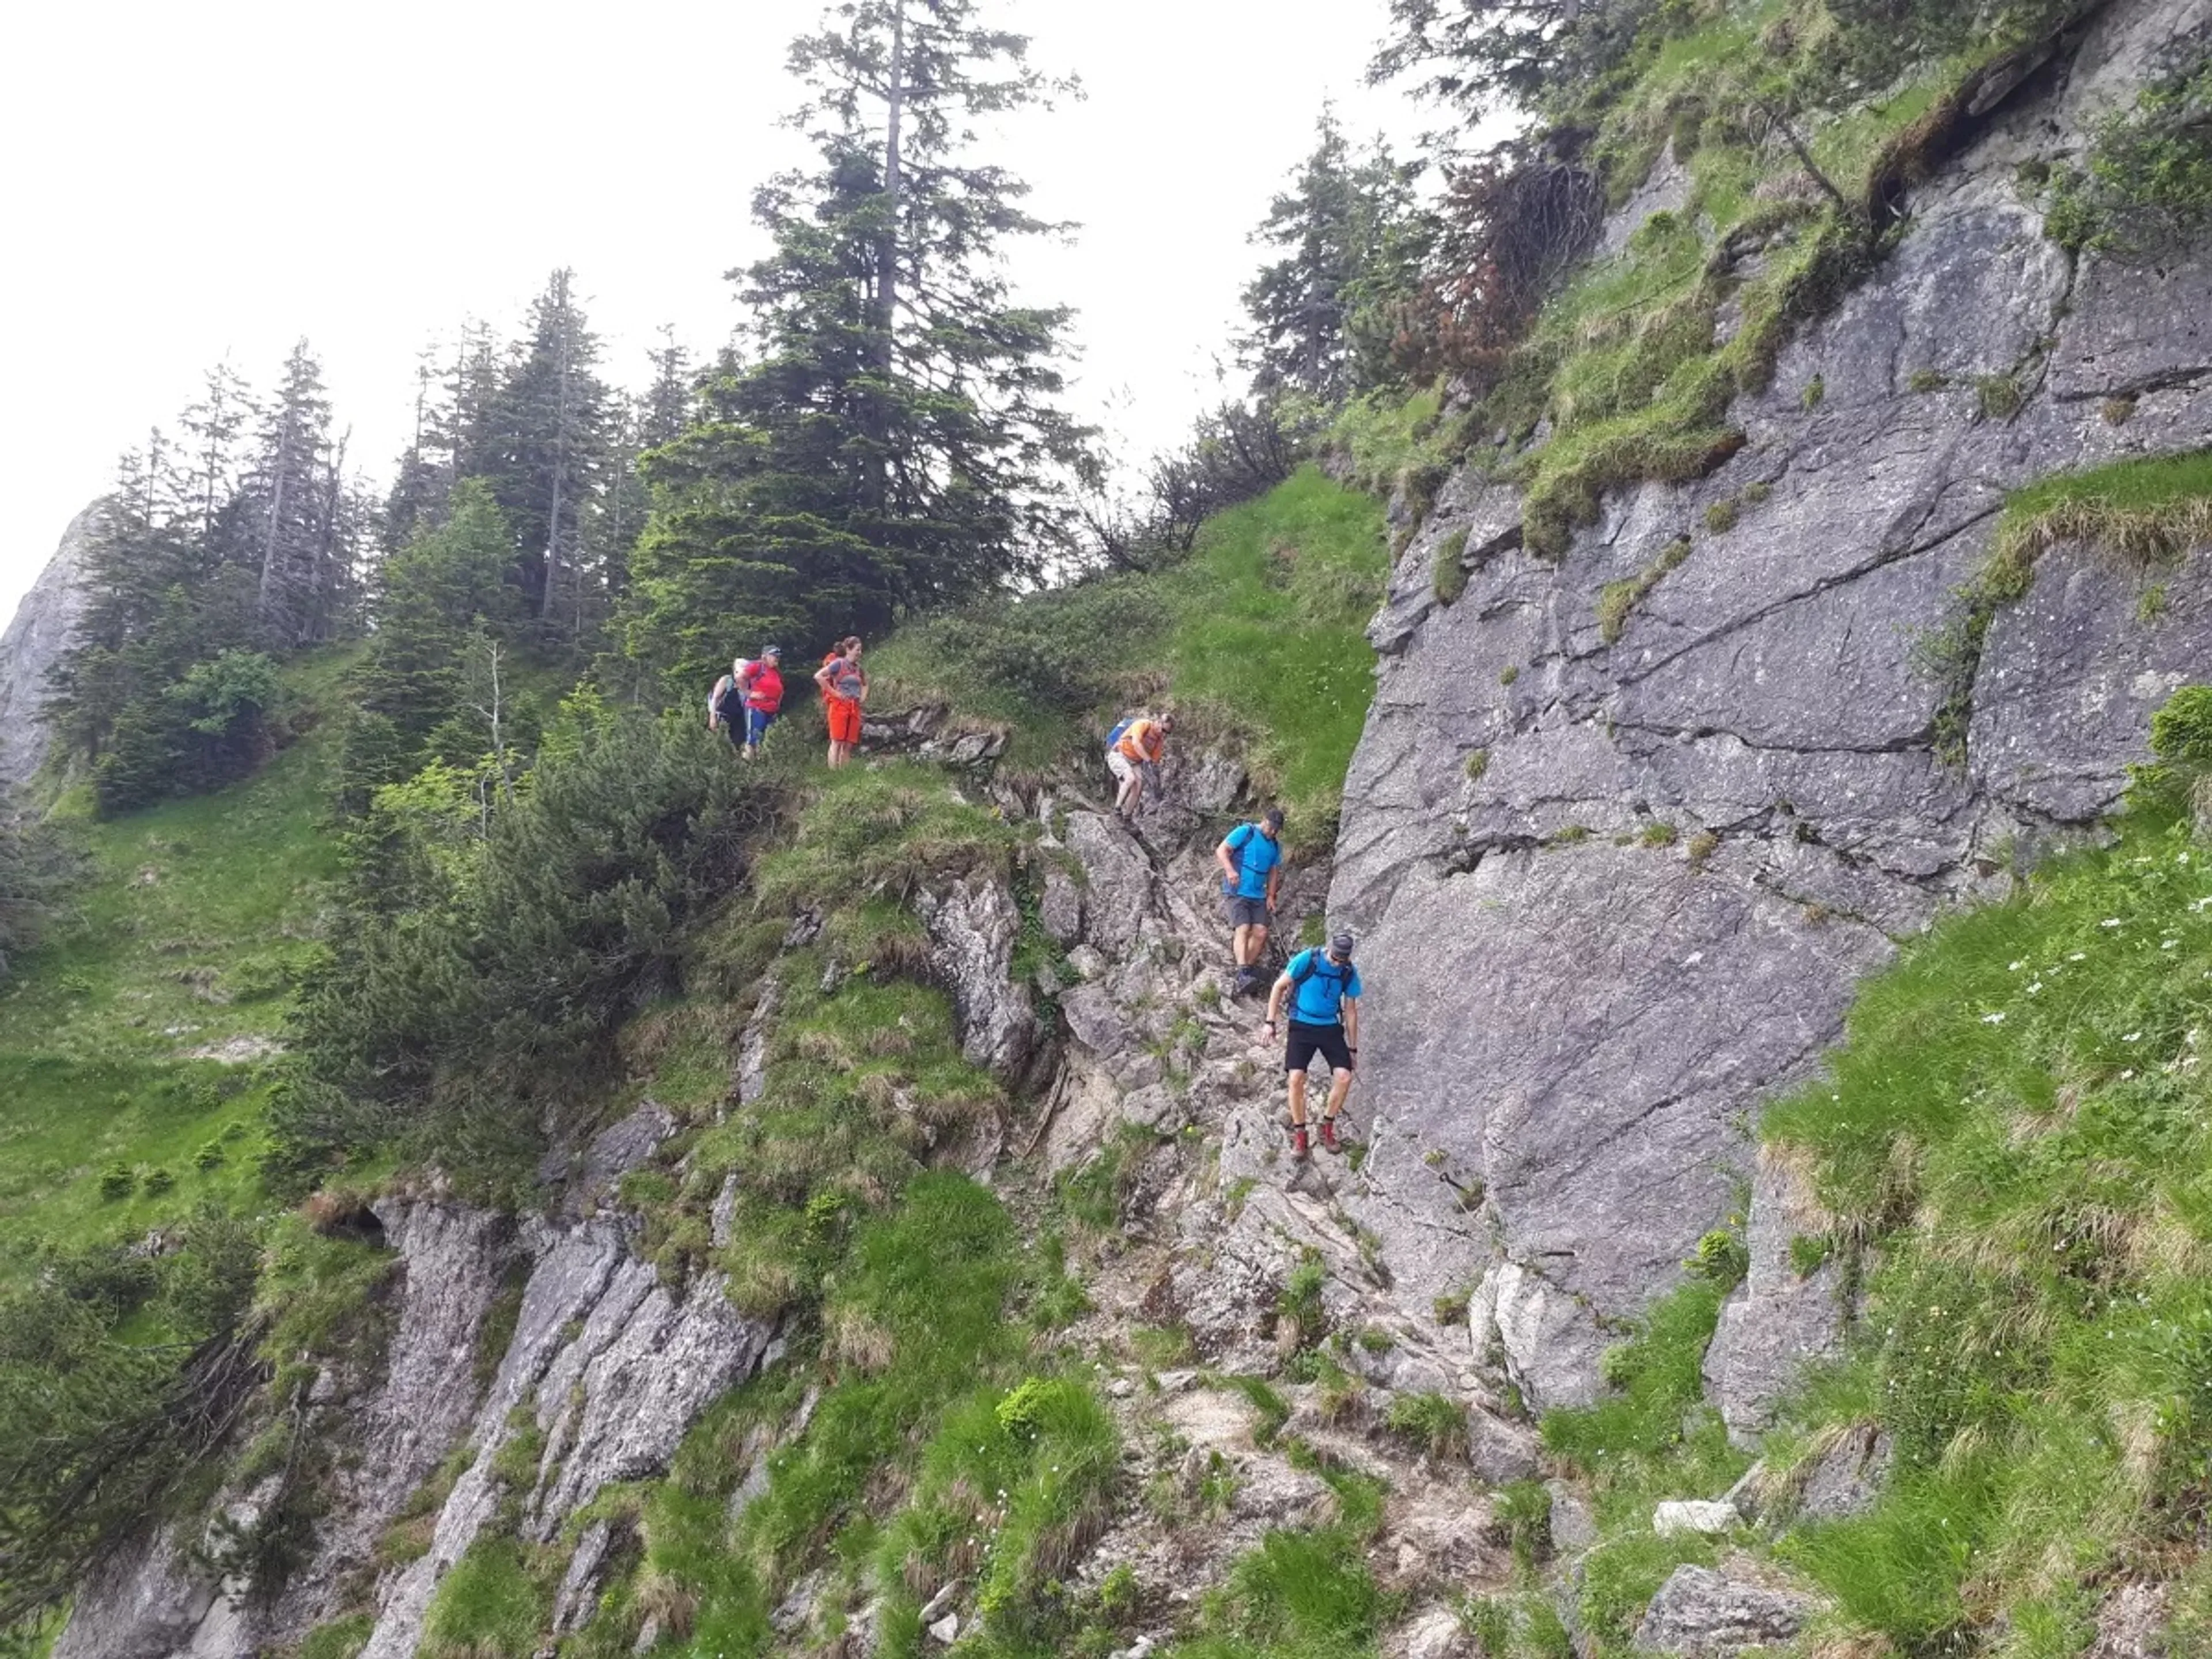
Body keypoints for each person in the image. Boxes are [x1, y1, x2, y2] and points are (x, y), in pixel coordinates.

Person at [1261, 931, 1361, 1161]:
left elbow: (1351, 1011)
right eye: (1334, 959)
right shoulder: (1309, 959)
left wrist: (1353, 1048)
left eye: (1341, 960)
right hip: (1301, 1024)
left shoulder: (1348, 972)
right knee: (1296, 1078)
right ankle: (1300, 1133)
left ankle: (1327, 1128)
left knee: (1345, 1076)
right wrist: (1270, 1022)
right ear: (1329, 950)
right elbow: (1279, 987)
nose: (1336, 963)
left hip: (1329, 1027)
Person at [1216, 807, 1284, 995]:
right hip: (1237, 891)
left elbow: (1273, 872)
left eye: (1276, 829)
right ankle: (1242, 971)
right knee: (1243, 928)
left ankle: (1248, 969)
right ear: (1264, 820)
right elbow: (1222, 850)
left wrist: (1271, 895)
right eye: (1271, 827)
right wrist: (1230, 871)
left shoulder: (1276, 846)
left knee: (1261, 933)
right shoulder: (1246, 832)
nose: (1273, 832)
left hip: (1258, 895)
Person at [815, 637, 868, 768]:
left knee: (849, 743)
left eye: (861, 650)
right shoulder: (838, 664)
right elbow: (819, 676)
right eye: (857, 650)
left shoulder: (858, 669)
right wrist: (835, 693)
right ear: (848, 650)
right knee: (837, 741)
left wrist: (863, 697)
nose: (860, 653)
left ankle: (844, 774)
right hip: (839, 705)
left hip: (854, 706)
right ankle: (833, 773)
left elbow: (866, 683)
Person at [1106, 713, 1172, 819]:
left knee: (1138, 787)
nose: (1163, 734)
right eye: (1163, 730)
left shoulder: (1158, 741)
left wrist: (1156, 784)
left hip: (1134, 762)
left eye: (1167, 733)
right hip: (1119, 755)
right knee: (1130, 778)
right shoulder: (1143, 724)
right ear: (1159, 722)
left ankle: (1127, 817)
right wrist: (1149, 760)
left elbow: (1155, 763)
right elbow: (1136, 744)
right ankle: (1117, 810)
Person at [732, 645, 784, 760]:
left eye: (778, 656)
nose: (777, 658)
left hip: (771, 710)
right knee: (753, 740)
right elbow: (740, 677)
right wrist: (749, 693)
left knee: (768, 739)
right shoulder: (758, 667)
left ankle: (762, 765)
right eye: (774, 656)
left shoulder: (776, 672)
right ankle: (747, 766)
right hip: (757, 708)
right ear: (765, 657)